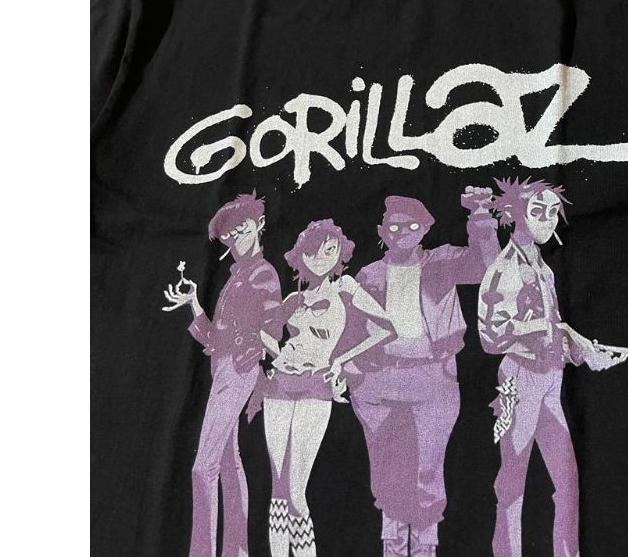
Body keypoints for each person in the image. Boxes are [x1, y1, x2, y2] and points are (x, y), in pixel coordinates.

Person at [478, 177, 628, 557]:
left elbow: (552, 330)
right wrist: (552, 329)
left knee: (567, 479)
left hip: (551, 381)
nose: (547, 220)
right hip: (521, 379)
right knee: (513, 481)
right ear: (516, 213)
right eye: (537, 211)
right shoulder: (505, 269)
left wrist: (582, 349)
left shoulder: (543, 267)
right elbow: (490, 336)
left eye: (553, 212)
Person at [348, 188, 499, 557]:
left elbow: (487, 268)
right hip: (380, 382)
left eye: (413, 226)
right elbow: (349, 327)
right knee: (386, 469)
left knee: (428, 468)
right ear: (382, 232)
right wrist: (353, 372)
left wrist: (480, 217)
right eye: (395, 227)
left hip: (432, 379)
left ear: (426, 229)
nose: (404, 233)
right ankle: (393, 547)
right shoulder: (368, 275)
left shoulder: (441, 262)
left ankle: (425, 548)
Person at [253, 219, 396, 557]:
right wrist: (280, 354)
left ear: (340, 254)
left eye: (329, 251)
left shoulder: (345, 287)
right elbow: (264, 334)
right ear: (301, 256)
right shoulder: (293, 299)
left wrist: (340, 359)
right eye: (314, 252)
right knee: (278, 486)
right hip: (280, 383)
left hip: (316, 385)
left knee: (296, 489)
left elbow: (386, 327)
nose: (321, 258)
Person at [161, 192, 284, 557]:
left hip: (238, 371)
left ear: (259, 226)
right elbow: (215, 340)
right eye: (229, 235)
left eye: (241, 229)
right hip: (223, 369)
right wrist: (194, 304)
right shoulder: (236, 277)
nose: (234, 238)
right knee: (228, 463)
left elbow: (274, 333)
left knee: (203, 467)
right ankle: (237, 551)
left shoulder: (263, 273)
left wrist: (253, 339)